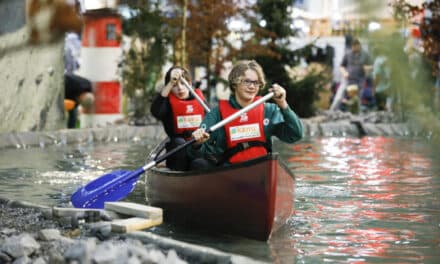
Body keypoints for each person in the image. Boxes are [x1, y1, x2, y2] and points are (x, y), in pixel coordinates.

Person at [189, 60, 303, 169]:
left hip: (262, 168)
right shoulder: (217, 114)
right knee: (199, 164)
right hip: (229, 171)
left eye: (256, 82)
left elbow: (295, 135)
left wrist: (283, 104)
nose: (252, 86)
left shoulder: (269, 110)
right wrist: (197, 145)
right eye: (247, 81)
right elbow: (196, 154)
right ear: (235, 84)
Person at [150, 66, 208, 171]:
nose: (180, 88)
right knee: (179, 142)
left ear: (189, 84)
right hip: (177, 151)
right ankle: (179, 174)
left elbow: (212, 121)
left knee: (200, 163)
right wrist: (170, 83)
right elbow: (156, 112)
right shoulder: (166, 102)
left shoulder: (199, 99)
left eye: (183, 83)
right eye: (175, 85)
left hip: (197, 146)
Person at [340, 38, 372, 107]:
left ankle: (356, 113)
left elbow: (371, 66)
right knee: (343, 96)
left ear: (359, 46)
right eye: (353, 47)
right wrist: (344, 73)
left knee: (358, 97)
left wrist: (367, 68)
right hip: (349, 79)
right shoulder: (348, 54)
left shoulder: (365, 54)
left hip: (360, 79)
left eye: (356, 46)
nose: (354, 48)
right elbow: (341, 66)